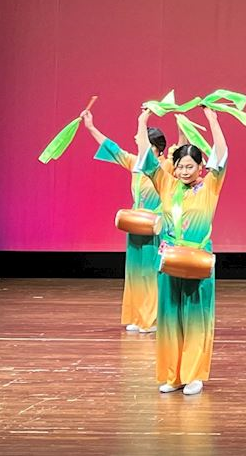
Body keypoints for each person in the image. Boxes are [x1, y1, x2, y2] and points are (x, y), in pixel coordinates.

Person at [137, 105, 228, 395]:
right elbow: (145, 156)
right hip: (169, 258)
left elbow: (222, 154)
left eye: (190, 166)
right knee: (169, 316)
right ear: (174, 167)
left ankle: (194, 375)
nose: (185, 171)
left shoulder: (210, 186)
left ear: (201, 167)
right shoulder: (166, 183)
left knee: (195, 316)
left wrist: (212, 120)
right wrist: (143, 120)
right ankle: (172, 375)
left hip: (197, 259)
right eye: (180, 166)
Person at [81, 107, 164, 333]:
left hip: (155, 225)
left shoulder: (163, 166)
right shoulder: (134, 163)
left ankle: (152, 319)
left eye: (144, 143)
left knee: (150, 272)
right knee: (135, 272)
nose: (139, 145)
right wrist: (90, 127)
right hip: (136, 223)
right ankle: (137, 316)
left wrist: (143, 119)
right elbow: (112, 148)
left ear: (155, 148)